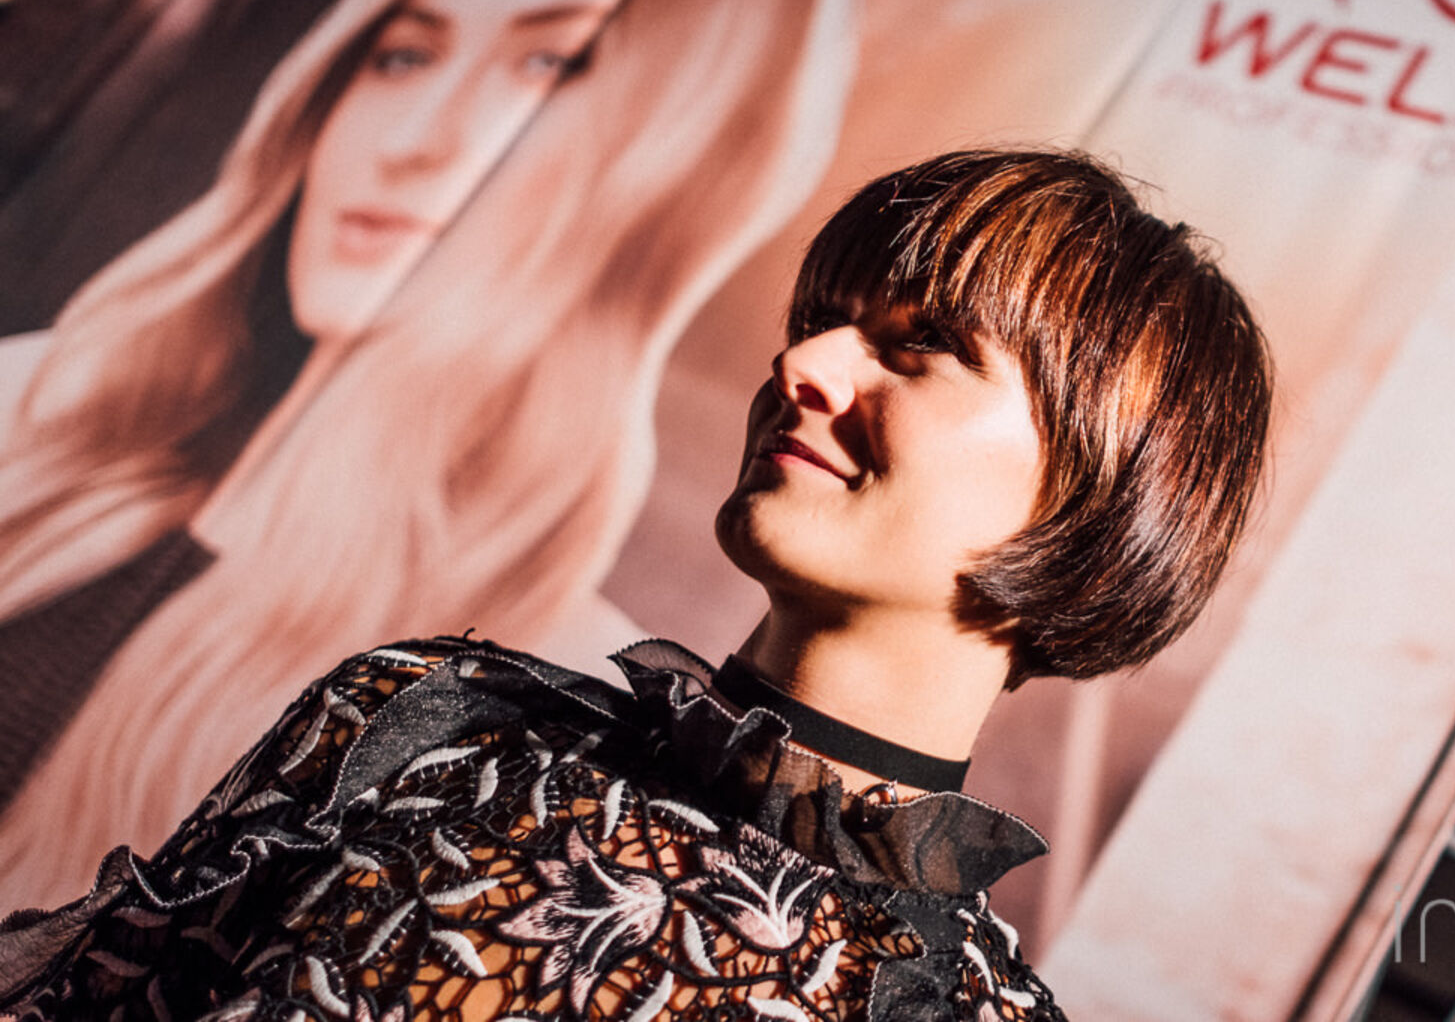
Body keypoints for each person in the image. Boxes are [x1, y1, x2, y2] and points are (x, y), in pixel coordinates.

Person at [0, 148, 1275, 1020]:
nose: (805, 364)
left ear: (1102, 482)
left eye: (921, 346)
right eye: (820, 319)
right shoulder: (429, 721)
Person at [0, 0, 866, 912]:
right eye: (406, 53)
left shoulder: (549, 716)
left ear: (687, 163)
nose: (415, 139)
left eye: (550, 64)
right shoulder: (40, 404)